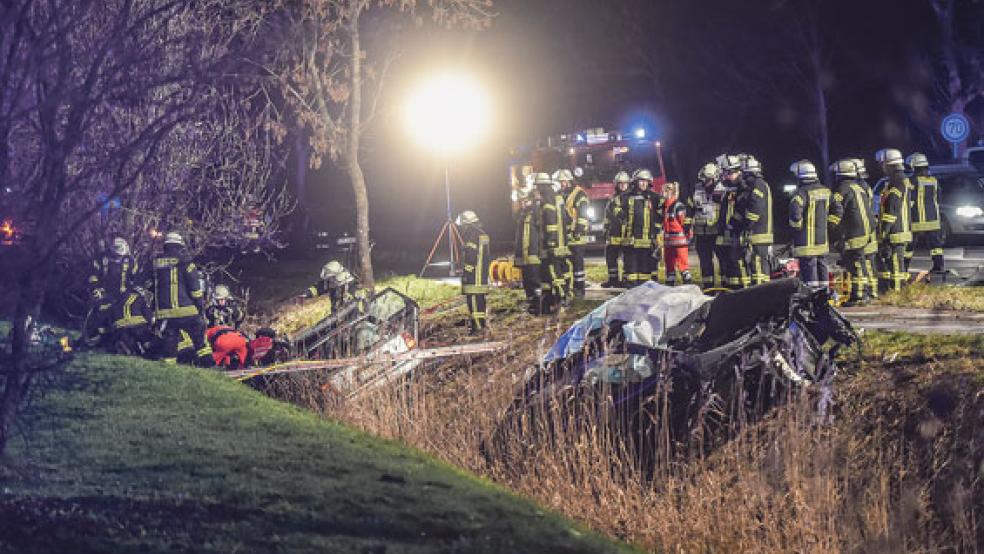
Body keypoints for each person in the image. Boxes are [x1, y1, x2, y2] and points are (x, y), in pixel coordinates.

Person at [152, 232, 212, 365]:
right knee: (200, 342)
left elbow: (148, 284)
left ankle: (170, 372)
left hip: (165, 313)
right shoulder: (186, 262)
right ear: (180, 246)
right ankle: (210, 367)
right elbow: (195, 290)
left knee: (170, 346)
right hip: (187, 311)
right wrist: (200, 308)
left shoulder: (155, 263)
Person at [788, 160, 841, 291]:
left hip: (806, 241)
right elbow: (838, 209)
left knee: (809, 269)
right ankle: (824, 294)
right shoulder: (826, 191)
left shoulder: (801, 193)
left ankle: (811, 295)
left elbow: (795, 213)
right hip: (822, 240)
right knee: (822, 264)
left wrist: (797, 228)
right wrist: (830, 225)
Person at [829, 159, 874, 306]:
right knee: (860, 262)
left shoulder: (841, 189)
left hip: (853, 233)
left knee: (855, 265)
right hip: (865, 231)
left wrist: (831, 230)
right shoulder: (859, 187)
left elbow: (837, 211)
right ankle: (866, 292)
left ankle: (859, 295)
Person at [85, 237, 141, 345]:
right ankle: (96, 336)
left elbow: (135, 278)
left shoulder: (130, 261)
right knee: (101, 314)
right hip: (104, 293)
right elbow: (93, 275)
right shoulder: (101, 259)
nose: (118, 258)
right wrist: (95, 288)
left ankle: (120, 339)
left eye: (120, 256)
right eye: (116, 255)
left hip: (124, 294)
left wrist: (136, 290)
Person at [874, 148, 913, 292]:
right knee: (898, 265)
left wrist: (883, 232)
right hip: (900, 230)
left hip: (896, 232)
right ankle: (900, 291)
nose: (882, 168)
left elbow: (891, 210)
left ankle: (896, 293)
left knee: (896, 265)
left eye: (883, 164)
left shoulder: (896, 183)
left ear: (889, 164)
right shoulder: (901, 180)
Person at [734, 155, 773, 286]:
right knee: (754, 267)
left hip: (759, 235)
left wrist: (746, 226)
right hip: (755, 235)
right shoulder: (754, 185)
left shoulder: (758, 185)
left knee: (759, 268)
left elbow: (755, 209)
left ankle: (762, 297)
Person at [905, 152, 945, 277]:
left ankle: (904, 267)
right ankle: (939, 266)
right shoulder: (934, 181)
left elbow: (908, 200)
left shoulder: (910, 181)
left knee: (909, 246)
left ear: (913, 166)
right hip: (933, 219)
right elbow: (939, 197)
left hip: (916, 220)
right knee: (935, 246)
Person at [537, 172, 571, 311]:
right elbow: (567, 219)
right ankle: (559, 298)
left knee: (554, 273)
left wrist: (550, 241)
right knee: (561, 271)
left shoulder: (547, 200)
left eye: (538, 186)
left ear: (542, 186)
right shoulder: (558, 197)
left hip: (553, 245)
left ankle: (561, 298)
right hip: (562, 243)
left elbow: (550, 223)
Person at [623, 169, 661, 287]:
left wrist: (656, 233)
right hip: (631, 240)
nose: (643, 184)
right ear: (635, 182)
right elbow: (615, 208)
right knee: (631, 269)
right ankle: (631, 289)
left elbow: (660, 216)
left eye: (645, 181)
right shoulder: (627, 196)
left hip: (647, 241)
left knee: (646, 269)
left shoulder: (654, 197)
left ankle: (645, 290)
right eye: (641, 181)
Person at [688, 162, 723, 289]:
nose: (706, 182)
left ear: (715, 177)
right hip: (701, 234)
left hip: (717, 233)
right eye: (704, 179)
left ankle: (724, 287)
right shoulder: (697, 188)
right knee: (705, 263)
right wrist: (687, 226)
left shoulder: (722, 189)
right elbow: (690, 208)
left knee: (723, 261)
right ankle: (708, 288)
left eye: (708, 179)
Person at [715, 154, 748, 289]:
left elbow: (742, 212)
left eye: (728, 173)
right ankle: (728, 288)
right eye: (724, 173)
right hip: (726, 234)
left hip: (737, 233)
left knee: (737, 265)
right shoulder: (728, 189)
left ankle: (737, 291)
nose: (726, 176)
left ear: (737, 171)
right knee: (726, 264)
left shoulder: (743, 189)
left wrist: (732, 225)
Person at [557, 168, 590, 298]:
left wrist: (579, 230)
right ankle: (566, 288)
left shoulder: (579, 194)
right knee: (563, 263)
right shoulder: (560, 194)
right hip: (564, 235)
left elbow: (583, 213)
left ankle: (579, 289)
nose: (562, 184)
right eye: (560, 182)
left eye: (564, 181)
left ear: (570, 180)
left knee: (577, 264)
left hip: (577, 236)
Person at [511, 182, 543, 314]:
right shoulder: (522, 215)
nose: (521, 204)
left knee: (535, 281)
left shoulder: (535, 213)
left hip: (534, 254)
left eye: (523, 201)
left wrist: (536, 202)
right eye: (520, 201)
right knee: (527, 282)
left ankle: (539, 304)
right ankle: (531, 302)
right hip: (524, 257)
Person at [457, 210, 491, 334]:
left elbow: (471, 257)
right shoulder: (482, 234)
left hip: (474, 276)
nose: (462, 229)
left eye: (462, 226)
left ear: (467, 224)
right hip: (481, 274)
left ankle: (478, 328)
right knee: (480, 301)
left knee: (474, 302)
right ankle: (480, 325)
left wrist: (465, 273)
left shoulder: (472, 235)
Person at [851, 158, 880, 300]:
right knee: (869, 263)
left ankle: (866, 293)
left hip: (864, 230)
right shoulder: (865, 186)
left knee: (865, 263)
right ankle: (872, 293)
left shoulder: (858, 188)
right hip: (870, 228)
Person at [603, 171, 632, 287]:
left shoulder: (631, 198)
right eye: (620, 184)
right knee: (610, 256)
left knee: (628, 258)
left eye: (625, 183)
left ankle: (625, 280)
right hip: (614, 233)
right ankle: (613, 280)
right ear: (616, 184)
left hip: (626, 234)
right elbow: (607, 215)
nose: (623, 186)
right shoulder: (613, 198)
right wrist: (605, 229)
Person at [661, 181, 692, 285]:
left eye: (667, 190)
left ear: (672, 192)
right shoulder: (664, 207)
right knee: (669, 267)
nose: (664, 193)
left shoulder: (678, 206)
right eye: (664, 190)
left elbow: (685, 223)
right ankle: (669, 286)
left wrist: (688, 236)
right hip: (669, 243)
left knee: (683, 267)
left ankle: (688, 286)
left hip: (680, 243)